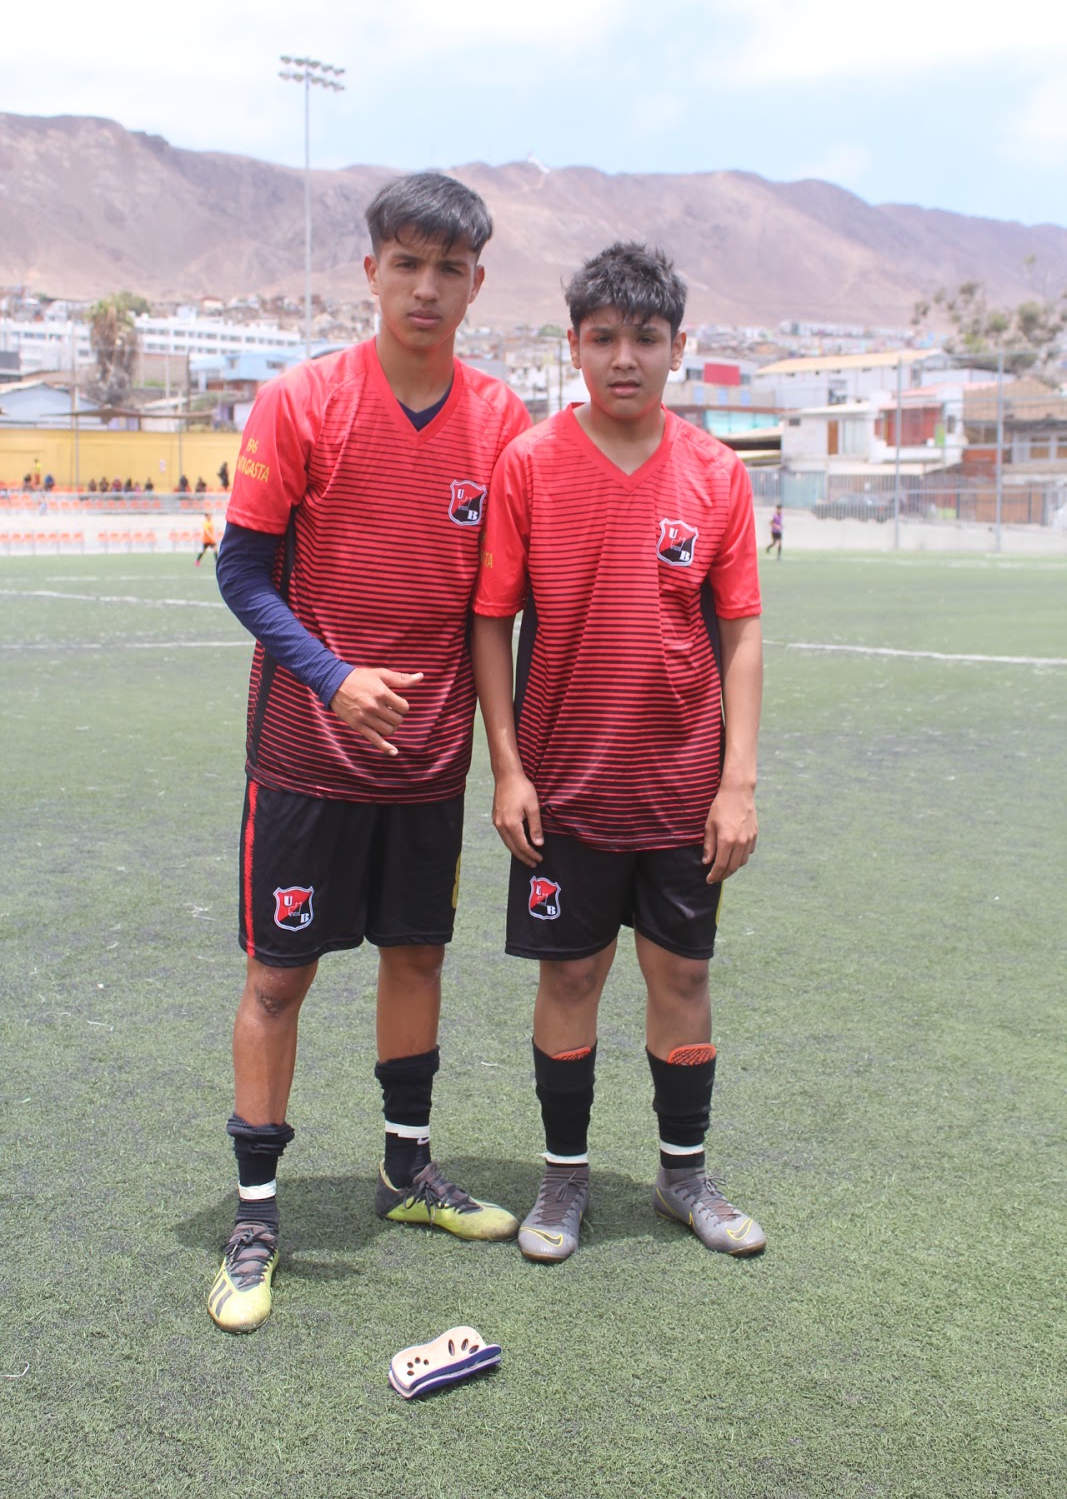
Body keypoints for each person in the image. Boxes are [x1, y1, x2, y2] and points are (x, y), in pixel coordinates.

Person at [208, 172, 530, 1333]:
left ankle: (405, 1170)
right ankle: (256, 1214)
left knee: (417, 958)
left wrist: (509, 755)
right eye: (406, 264)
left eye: (449, 269)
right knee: (277, 978)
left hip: (428, 764)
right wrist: (334, 677)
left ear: (476, 283)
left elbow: (502, 605)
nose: (426, 288)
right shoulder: (300, 401)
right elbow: (241, 572)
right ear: (371, 272)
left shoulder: (499, 422)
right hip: (305, 757)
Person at [472, 243, 766, 1265]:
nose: (624, 357)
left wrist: (736, 783)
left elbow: (740, 631)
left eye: (645, 337)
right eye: (602, 338)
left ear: (677, 347)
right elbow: (491, 620)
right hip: (562, 789)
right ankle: (562, 1180)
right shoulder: (529, 464)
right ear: (574, 346)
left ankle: (683, 1176)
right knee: (569, 979)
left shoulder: (716, 472)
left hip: (682, 790)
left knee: (680, 973)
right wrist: (507, 768)